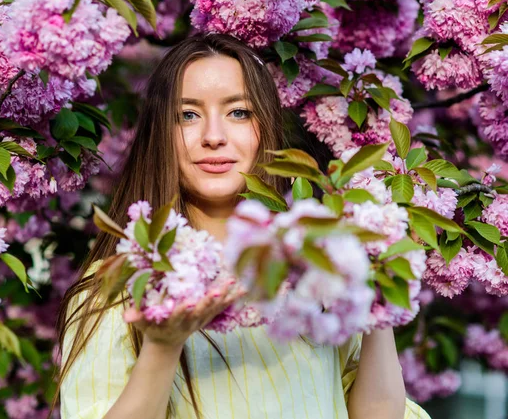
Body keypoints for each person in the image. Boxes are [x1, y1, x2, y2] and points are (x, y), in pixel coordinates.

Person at [55, 33, 431, 419]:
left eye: (239, 112)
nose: (213, 137)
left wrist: (374, 295)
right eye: (187, 115)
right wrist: (163, 347)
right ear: (160, 135)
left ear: (265, 128)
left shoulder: (314, 266)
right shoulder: (123, 283)